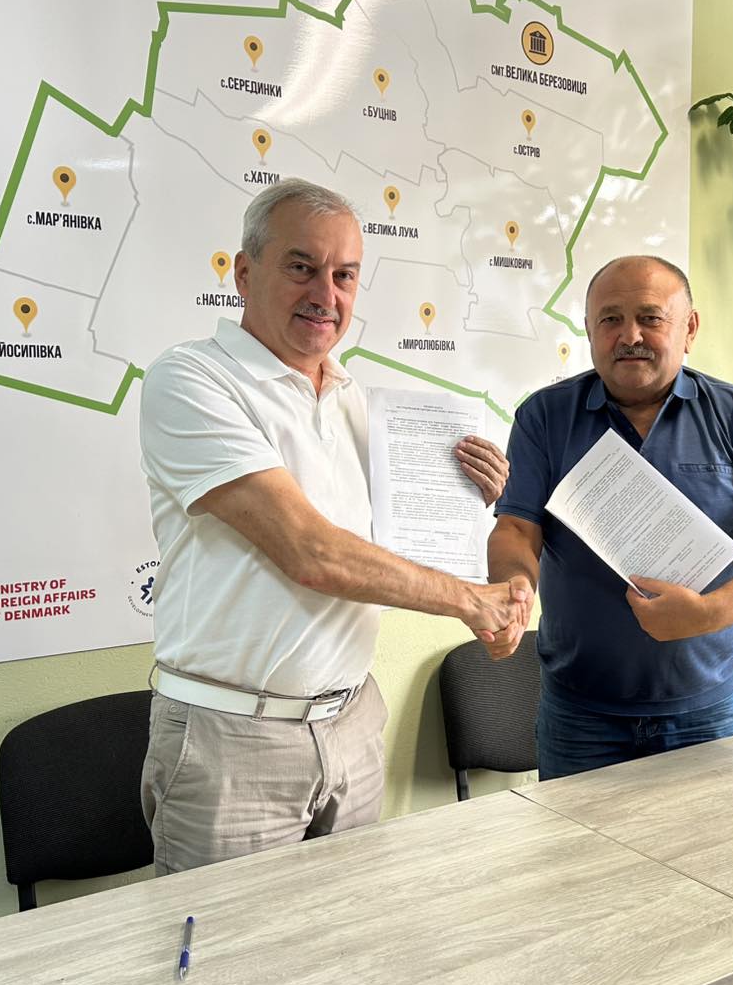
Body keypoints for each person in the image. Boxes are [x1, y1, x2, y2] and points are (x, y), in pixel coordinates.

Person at [138, 178, 528, 873]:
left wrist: (473, 499)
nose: (326, 293)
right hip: (234, 739)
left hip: (352, 725)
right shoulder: (192, 379)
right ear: (244, 272)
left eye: (345, 274)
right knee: (233, 944)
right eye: (302, 267)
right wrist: (473, 603)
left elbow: (388, 551)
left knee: (349, 933)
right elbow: (311, 553)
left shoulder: (357, 403)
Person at [485, 255, 733, 779]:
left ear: (689, 329)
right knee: (576, 839)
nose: (630, 336)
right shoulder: (545, 416)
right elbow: (515, 529)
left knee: (708, 836)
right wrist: (513, 588)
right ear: (589, 330)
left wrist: (707, 613)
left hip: (705, 713)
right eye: (611, 319)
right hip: (580, 715)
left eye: (650, 318)